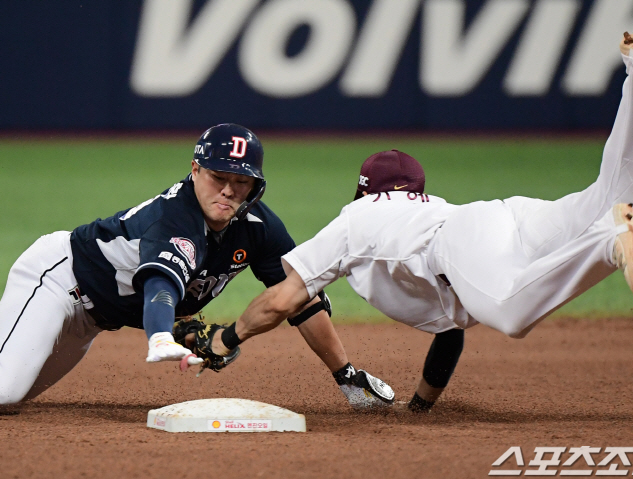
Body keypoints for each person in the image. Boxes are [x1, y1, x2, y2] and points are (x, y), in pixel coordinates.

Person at [184, 32, 633, 413]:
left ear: (365, 190)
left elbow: (282, 299)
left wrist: (227, 338)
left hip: (462, 243)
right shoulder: (426, 208)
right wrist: (420, 406)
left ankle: (608, 244)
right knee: (610, 196)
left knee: (510, 311)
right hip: (503, 215)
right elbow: (451, 332)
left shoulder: (356, 218)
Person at [0, 124, 394, 412]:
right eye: (218, 177)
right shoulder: (175, 217)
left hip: (93, 319)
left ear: (256, 186)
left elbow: (301, 298)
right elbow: (160, 286)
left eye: (241, 181)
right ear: (195, 170)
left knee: (10, 402)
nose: (228, 190)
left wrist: (345, 373)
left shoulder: (260, 228)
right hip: (55, 280)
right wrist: (159, 334)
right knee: (4, 392)